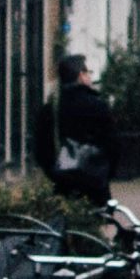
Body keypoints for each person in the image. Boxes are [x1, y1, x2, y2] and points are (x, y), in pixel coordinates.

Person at [39, 54, 115, 210]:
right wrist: (104, 173)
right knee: (94, 229)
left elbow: (41, 150)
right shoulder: (98, 106)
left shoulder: (50, 109)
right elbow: (113, 146)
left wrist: (54, 173)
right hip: (95, 185)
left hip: (63, 185)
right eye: (88, 73)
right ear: (81, 75)